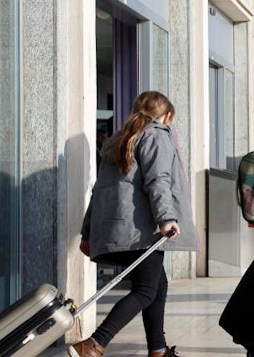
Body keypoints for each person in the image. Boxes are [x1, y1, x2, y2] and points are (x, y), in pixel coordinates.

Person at [70, 91, 197, 357]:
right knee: (146, 290)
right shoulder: (156, 136)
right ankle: (93, 344)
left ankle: (158, 350)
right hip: (141, 232)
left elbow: (98, 190)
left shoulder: (120, 140)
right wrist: (167, 219)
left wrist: (88, 232)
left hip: (118, 230)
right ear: (167, 116)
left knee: (156, 284)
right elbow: (158, 180)